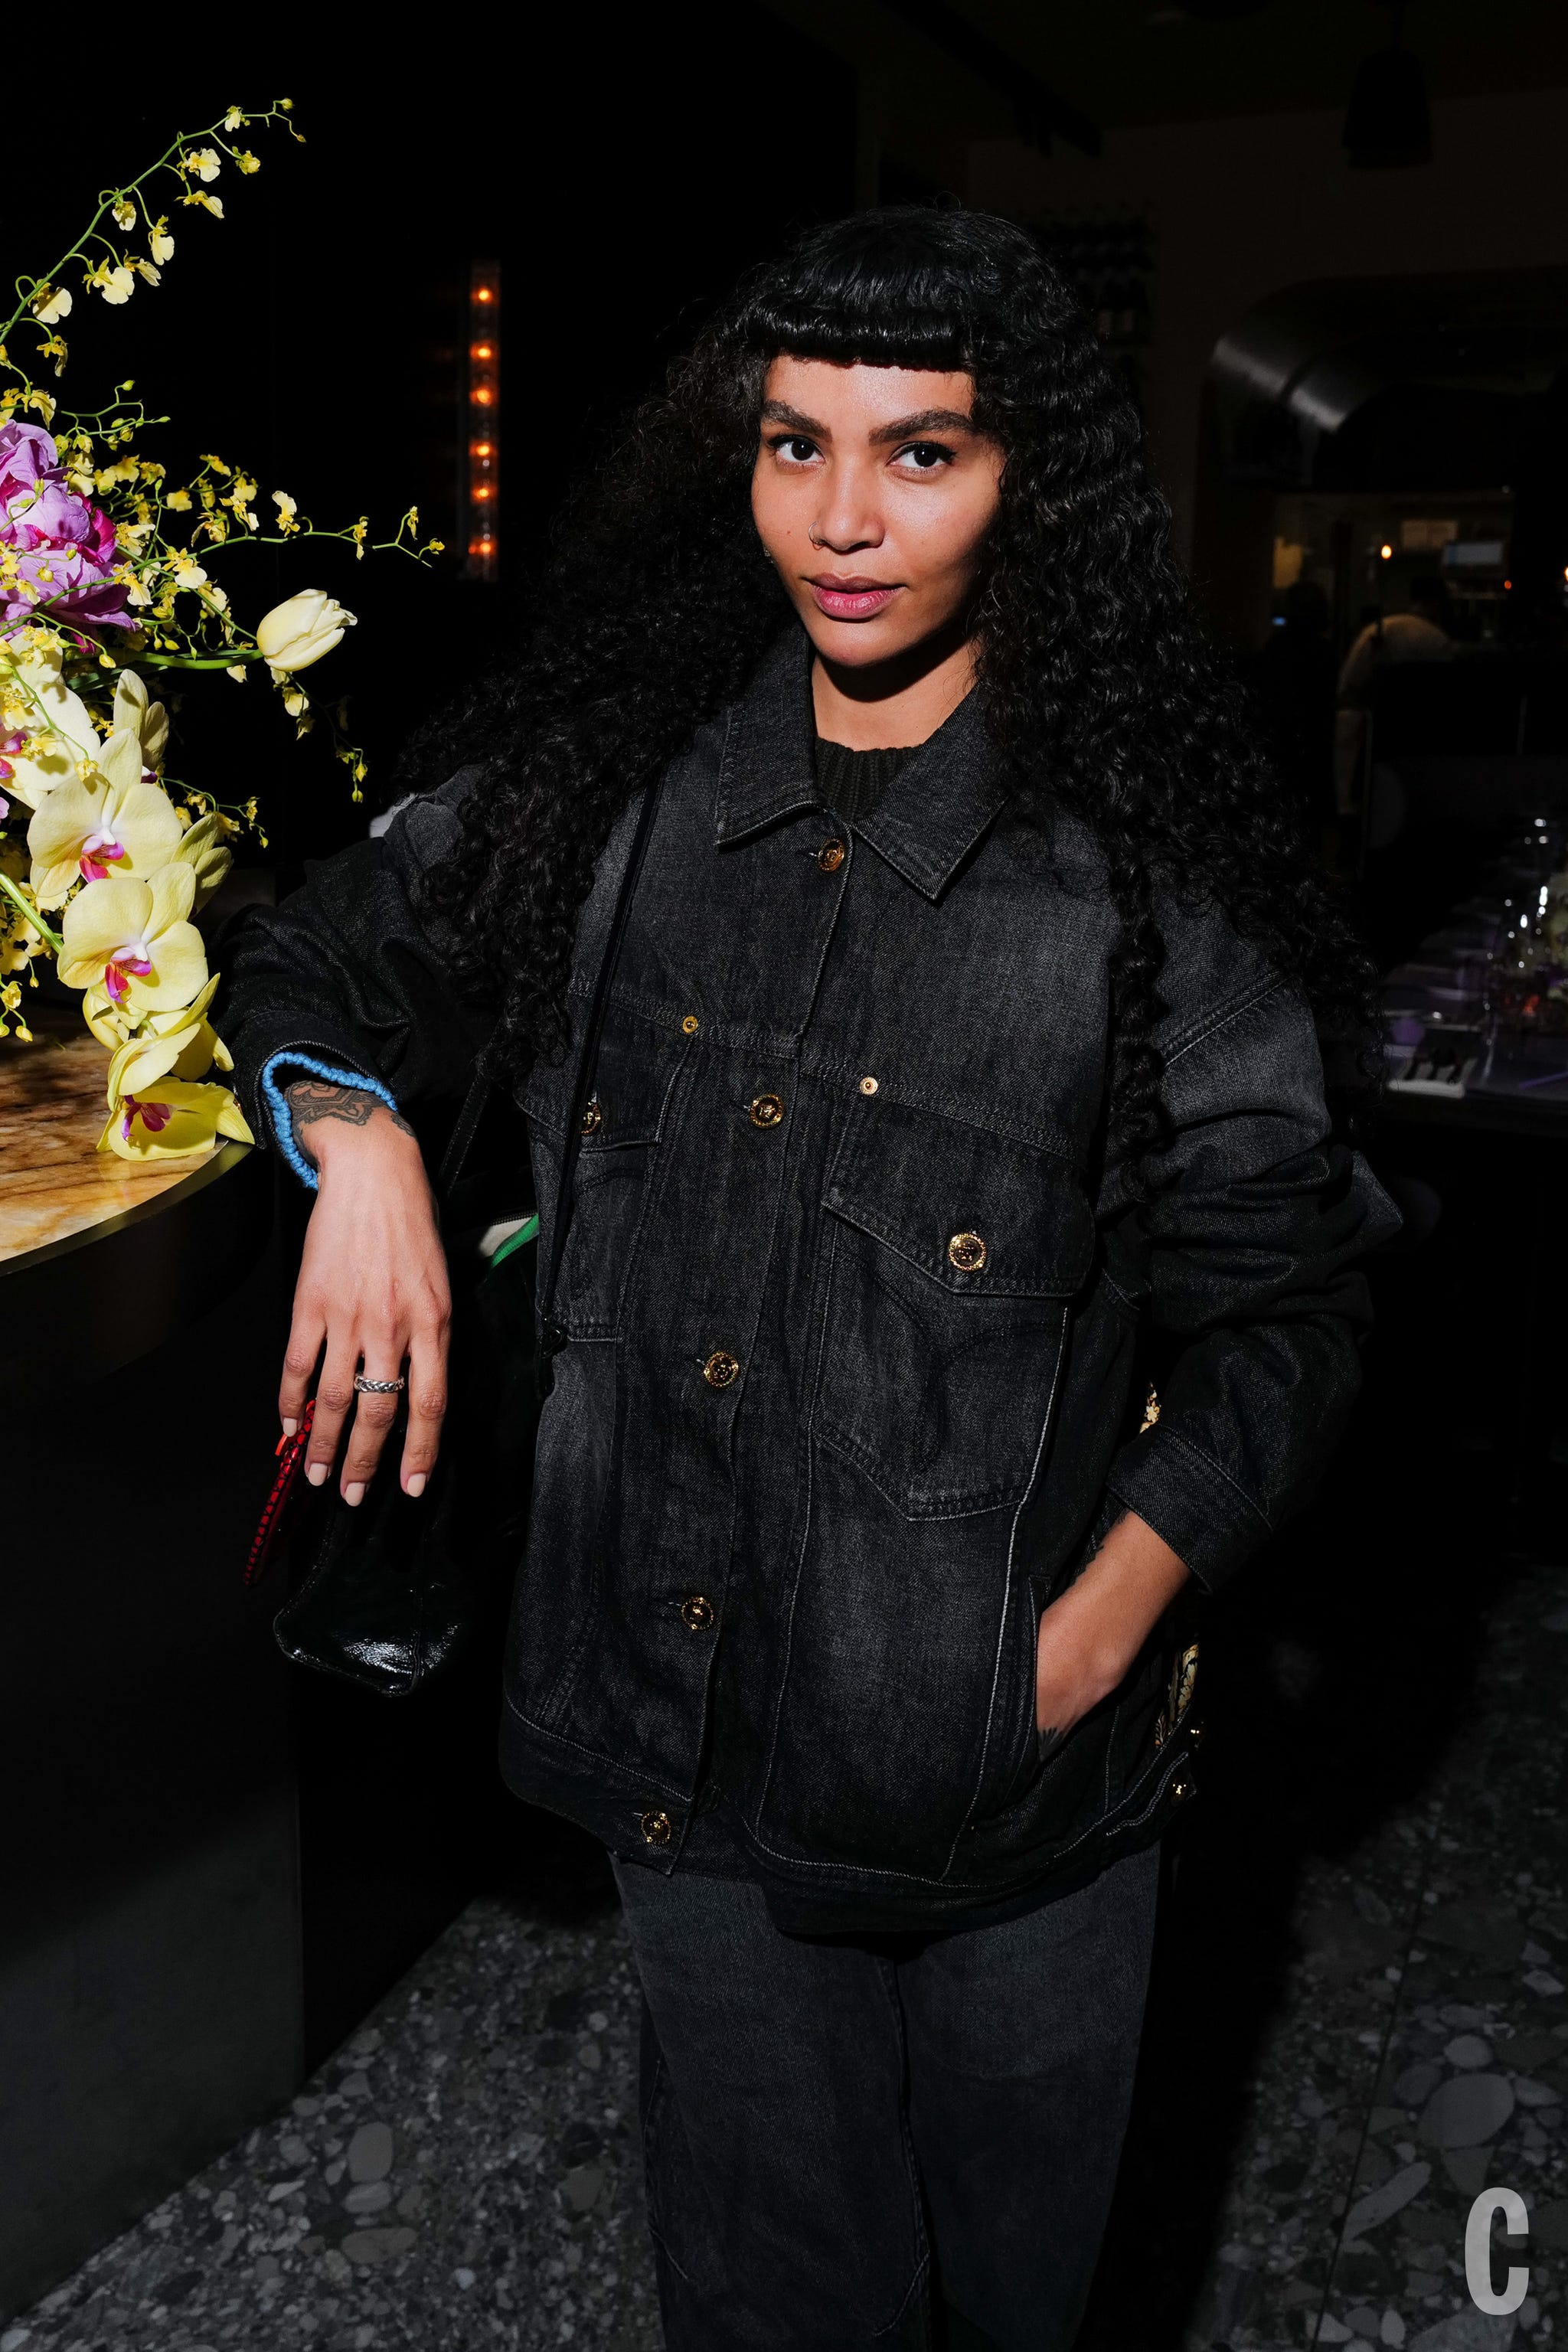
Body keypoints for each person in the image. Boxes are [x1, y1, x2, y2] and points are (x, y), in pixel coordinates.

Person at [217, 209, 1398, 2351]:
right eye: (794, 447)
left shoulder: (1136, 894)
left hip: (1020, 1806)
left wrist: (1089, 1636)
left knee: (1019, 2301)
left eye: (922, 455)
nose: (843, 522)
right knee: (776, 2304)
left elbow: (1294, 1313)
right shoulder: (613, 798)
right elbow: (317, 953)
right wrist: (363, 1135)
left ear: (1029, 477)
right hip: (683, 1774)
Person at [1334, 572, 1455, 814]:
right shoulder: (1437, 640)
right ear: (1439, 602)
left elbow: (1348, 687)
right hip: (1413, 738)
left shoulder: (1381, 630)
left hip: (1369, 736)